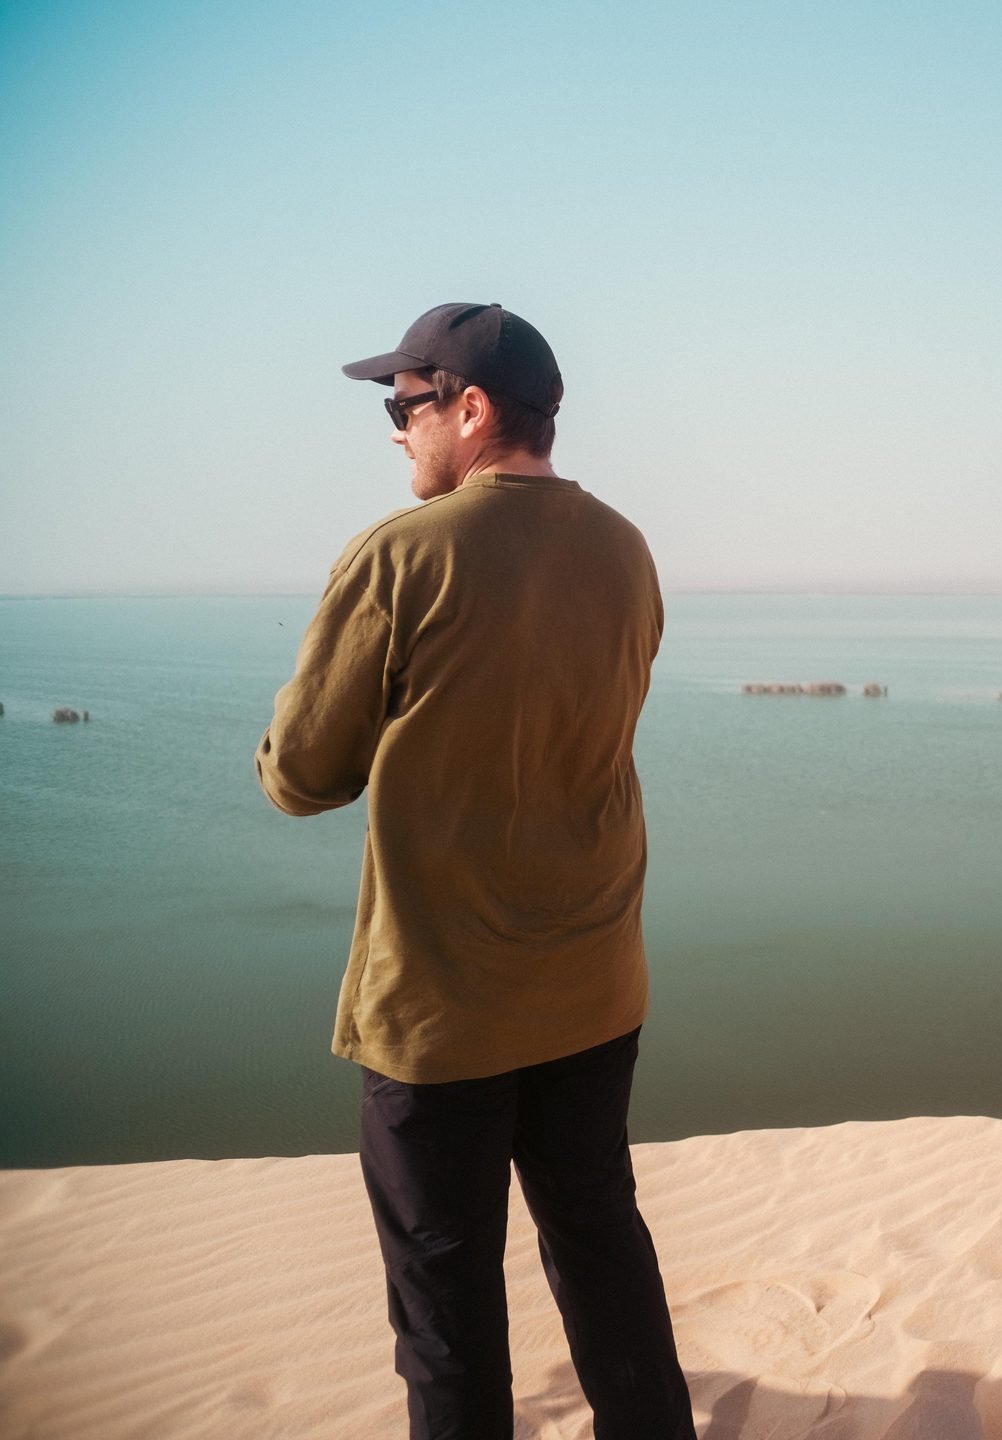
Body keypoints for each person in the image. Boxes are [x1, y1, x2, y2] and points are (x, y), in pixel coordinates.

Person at [256, 302, 695, 1440]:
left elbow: (302, 775)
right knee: (603, 1248)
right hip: (594, 994)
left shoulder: (401, 555)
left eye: (404, 406)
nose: (396, 431)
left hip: (442, 1011)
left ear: (472, 407)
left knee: (447, 1310)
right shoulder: (626, 546)